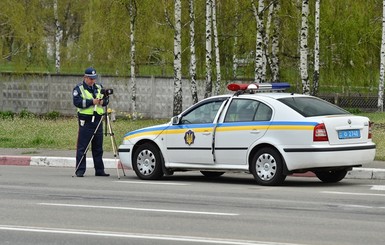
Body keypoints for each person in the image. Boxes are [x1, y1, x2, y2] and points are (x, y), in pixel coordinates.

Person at [72, 67, 110, 177]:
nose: (93, 81)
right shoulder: (79, 89)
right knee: (82, 147)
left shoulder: (99, 87)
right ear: (85, 77)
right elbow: (77, 102)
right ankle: (80, 170)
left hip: (98, 120)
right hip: (86, 120)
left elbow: (106, 101)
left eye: (94, 78)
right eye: (91, 79)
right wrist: (91, 102)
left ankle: (99, 170)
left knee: (98, 148)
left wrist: (103, 101)